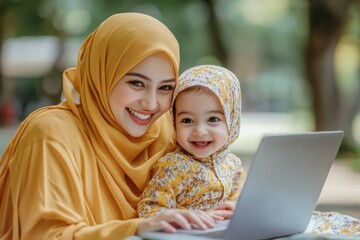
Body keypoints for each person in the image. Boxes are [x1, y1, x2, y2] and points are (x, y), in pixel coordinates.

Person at [0, 13, 216, 240]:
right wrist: (136, 229)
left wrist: (210, 213)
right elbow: (46, 235)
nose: (151, 104)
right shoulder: (50, 133)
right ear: (102, 73)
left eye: (165, 88)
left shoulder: (165, 131)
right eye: (136, 83)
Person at [137, 65, 246, 220]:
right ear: (174, 122)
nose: (199, 131)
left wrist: (236, 208)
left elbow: (240, 201)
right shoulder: (173, 166)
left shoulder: (233, 165)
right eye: (187, 120)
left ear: (232, 120)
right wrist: (191, 216)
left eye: (213, 119)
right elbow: (149, 209)